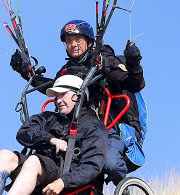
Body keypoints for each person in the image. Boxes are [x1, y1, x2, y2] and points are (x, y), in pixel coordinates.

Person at [10, 19, 145, 185]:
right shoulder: (66, 71)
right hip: (73, 129)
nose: (73, 44)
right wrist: (29, 75)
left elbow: (134, 84)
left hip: (106, 127)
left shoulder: (105, 61)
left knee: (111, 164)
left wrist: (134, 65)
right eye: (69, 41)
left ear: (89, 42)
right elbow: (53, 88)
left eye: (78, 40)